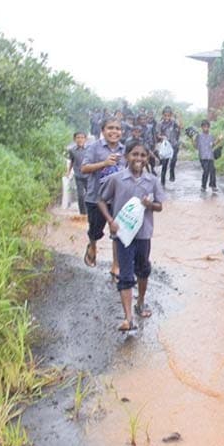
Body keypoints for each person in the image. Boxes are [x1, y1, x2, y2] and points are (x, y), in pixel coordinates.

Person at [98, 141, 166, 333]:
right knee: (126, 275)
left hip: (144, 234)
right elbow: (102, 201)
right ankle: (128, 318)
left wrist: (150, 205)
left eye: (143, 155)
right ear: (127, 156)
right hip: (123, 235)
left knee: (143, 269)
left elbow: (160, 206)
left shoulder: (152, 181)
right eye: (135, 154)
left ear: (147, 159)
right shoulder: (116, 179)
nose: (139, 159)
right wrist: (110, 220)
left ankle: (141, 302)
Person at [81, 117, 126, 276]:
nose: (114, 132)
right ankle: (92, 245)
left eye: (117, 129)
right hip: (96, 198)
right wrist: (104, 164)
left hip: (117, 199)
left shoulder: (124, 150)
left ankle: (115, 266)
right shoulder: (94, 148)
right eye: (110, 128)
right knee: (95, 231)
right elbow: (84, 168)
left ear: (121, 132)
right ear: (103, 131)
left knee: (117, 232)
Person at [156, 106, 181, 183]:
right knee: (165, 164)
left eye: (168, 115)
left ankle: (172, 173)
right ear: (163, 115)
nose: (167, 117)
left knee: (173, 161)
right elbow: (158, 135)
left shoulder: (174, 122)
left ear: (171, 115)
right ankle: (162, 182)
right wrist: (162, 137)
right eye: (165, 115)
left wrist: (179, 118)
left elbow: (180, 127)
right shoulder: (160, 124)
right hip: (166, 146)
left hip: (174, 144)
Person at [67, 131, 90, 216]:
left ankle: (90, 212)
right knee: (80, 195)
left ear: (85, 139)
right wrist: (68, 172)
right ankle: (82, 213)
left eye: (82, 137)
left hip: (89, 175)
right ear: (74, 139)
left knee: (89, 195)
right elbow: (72, 161)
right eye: (78, 138)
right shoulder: (72, 150)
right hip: (78, 176)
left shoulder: (89, 149)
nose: (80, 139)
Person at [195, 120, 217, 192]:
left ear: (209, 127)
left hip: (210, 156)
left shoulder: (211, 136)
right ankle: (203, 186)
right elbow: (196, 146)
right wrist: (192, 140)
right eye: (204, 127)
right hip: (203, 157)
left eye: (207, 127)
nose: (206, 128)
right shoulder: (199, 136)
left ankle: (213, 185)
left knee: (213, 170)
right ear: (202, 127)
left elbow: (213, 145)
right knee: (206, 171)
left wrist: (219, 140)